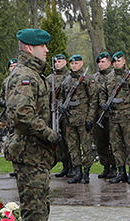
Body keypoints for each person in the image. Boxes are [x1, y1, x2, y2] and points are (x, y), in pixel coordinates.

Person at [3, 28, 58, 221]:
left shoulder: (34, 74)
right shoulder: (24, 75)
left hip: (36, 152)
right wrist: (50, 135)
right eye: (41, 46)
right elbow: (21, 115)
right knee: (34, 211)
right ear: (29, 48)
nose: (46, 50)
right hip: (29, 152)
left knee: (39, 207)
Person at [100, 51, 130, 184]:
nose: (117, 64)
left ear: (124, 61)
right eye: (115, 62)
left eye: (119, 61)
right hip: (113, 117)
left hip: (127, 116)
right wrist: (103, 104)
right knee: (116, 146)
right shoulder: (109, 77)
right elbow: (102, 93)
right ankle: (121, 172)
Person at [58, 54, 96, 184]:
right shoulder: (66, 80)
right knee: (73, 147)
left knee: (86, 147)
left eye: (76, 63)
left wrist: (90, 119)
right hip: (70, 118)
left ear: (81, 63)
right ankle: (77, 172)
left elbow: (93, 100)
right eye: (72, 64)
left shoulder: (87, 79)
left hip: (83, 117)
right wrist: (61, 106)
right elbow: (61, 96)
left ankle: (86, 173)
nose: (73, 66)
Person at [93, 52, 116, 179]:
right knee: (100, 143)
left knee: (113, 142)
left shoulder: (114, 76)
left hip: (111, 115)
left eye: (103, 62)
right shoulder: (95, 78)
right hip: (98, 114)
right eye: (99, 62)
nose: (101, 65)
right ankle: (105, 166)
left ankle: (114, 167)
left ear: (109, 63)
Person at [52, 53, 73, 178]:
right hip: (55, 114)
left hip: (67, 113)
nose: (57, 64)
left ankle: (72, 166)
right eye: (56, 62)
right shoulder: (51, 77)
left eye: (60, 61)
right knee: (59, 142)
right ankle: (65, 165)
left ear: (65, 62)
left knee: (69, 140)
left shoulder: (70, 76)